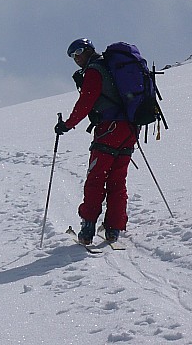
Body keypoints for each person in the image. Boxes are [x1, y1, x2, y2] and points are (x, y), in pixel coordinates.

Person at [54, 38, 138, 245]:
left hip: (109, 131)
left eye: (78, 52)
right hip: (129, 130)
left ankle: (88, 227)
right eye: (72, 56)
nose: (76, 58)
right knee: (117, 181)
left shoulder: (95, 70)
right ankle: (113, 229)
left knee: (96, 179)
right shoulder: (112, 67)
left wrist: (67, 124)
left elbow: (86, 101)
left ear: (88, 50)